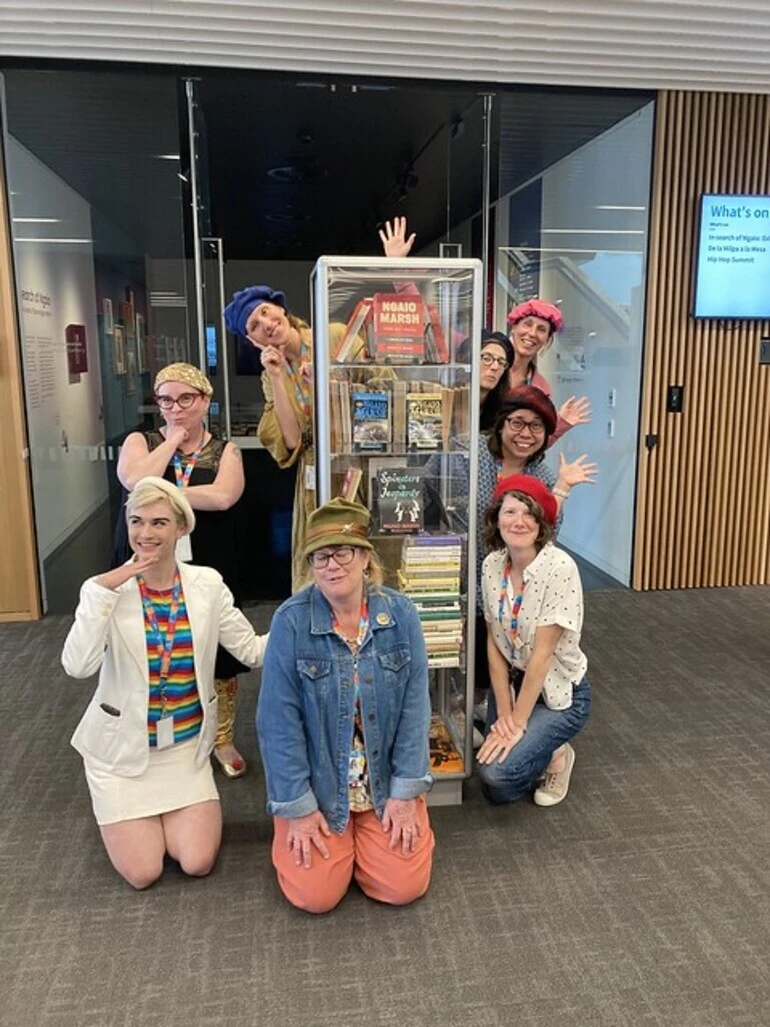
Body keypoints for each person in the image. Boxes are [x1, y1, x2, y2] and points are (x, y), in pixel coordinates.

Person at [62, 477, 268, 888]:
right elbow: (77, 666)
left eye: (158, 523)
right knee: (144, 873)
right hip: (120, 753)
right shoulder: (106, 590)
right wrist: (102, 591)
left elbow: (252, 651)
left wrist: (308, 614)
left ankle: (162, 817)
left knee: (197, 861)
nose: (145, 533)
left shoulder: (205, 584)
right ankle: (132, 813)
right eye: (136, 521)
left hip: (184, 751)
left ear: (181, 528)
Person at [256, 497, 435, 914]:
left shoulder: (402, 615)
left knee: (403, 887)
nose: (332, 565)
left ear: (365, 557)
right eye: (320, 557)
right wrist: (297, 809)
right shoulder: (291, 621)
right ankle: (334, 843)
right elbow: (276, 723)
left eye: (342, 552)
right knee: (314, 896)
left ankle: (368, 842)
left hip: (382, 785)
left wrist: (406, 793)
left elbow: (415, 710)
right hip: (319, 789)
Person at [115, 363, 249, 779]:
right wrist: (172, 440)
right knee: (151, 639)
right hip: (148, 555)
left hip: (210, 556)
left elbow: (225, 496)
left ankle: (222, 737)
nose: (175, 407)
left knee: (218, 646)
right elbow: (134, 480)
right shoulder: (143, 439)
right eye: (166, 400)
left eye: (185, 399)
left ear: (205, 400)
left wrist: (161, 497)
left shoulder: (226, 449)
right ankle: (151, 727)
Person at [476, 474, 591, 806]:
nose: (519, 521)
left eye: (529, 513)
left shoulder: (559, 568)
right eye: (510, 512)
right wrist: (504, 714)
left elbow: (541, 658)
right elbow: (494, 642)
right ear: (496, 518)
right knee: (488, 764)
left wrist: (516, 723)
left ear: (543, 524)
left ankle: (558, 754)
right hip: (514, 681)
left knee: (498, 778)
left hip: (558, 692)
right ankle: (545, 742)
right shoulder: (491, 565)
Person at [505, 299, 590, 442]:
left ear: (547, 339)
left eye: (541, 329)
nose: (532, 333)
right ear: (514, 328)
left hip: (509, 463)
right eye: (527, 324)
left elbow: (532, 445)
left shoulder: (541, 388)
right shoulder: (490, 367)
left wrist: (561, 423)